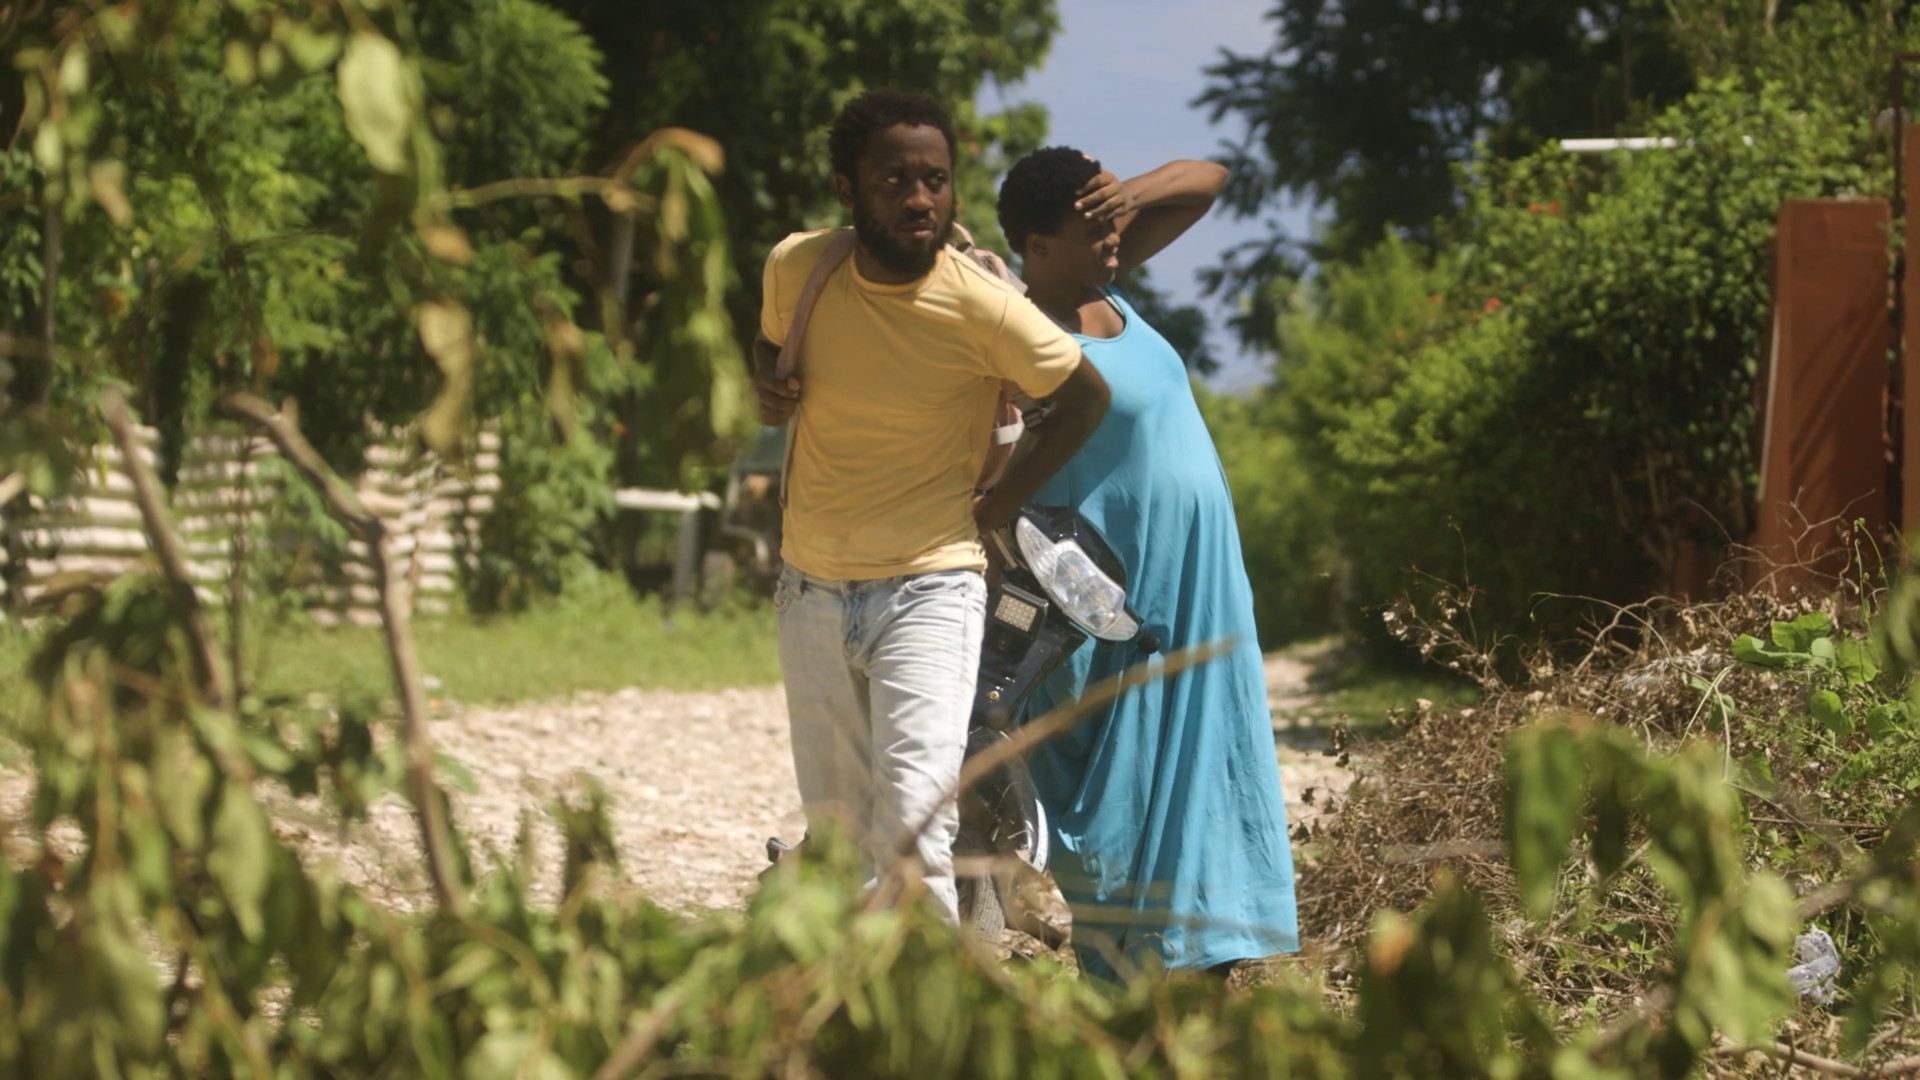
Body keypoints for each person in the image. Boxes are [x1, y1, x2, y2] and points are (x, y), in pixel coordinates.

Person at [753, 92, 1111, 922]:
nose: (919, 199)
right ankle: (850, 1030)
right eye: (895, 180)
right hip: (809, 588)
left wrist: (999, 505)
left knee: (914, 835)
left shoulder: (982, 305)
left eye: (936, 181)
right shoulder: (798, 268)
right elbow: (773, 341)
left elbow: (1084, 398)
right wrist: (764, 378)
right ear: (848, 189)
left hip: (930, 590)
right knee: (838, 842)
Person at [994, 147, 1299, 981]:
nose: (1113, 239)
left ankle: (1205, 969)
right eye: (1089, 231)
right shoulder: (1019, 338)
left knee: (1207, 775)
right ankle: (1136, 997)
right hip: (1117, 610)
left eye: (1113, 226)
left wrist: (1112, 198)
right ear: (1035, 246)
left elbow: (1210, 178)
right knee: (1121, 804)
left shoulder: (1110, 291)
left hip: (1200, 590)